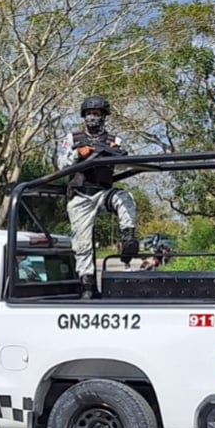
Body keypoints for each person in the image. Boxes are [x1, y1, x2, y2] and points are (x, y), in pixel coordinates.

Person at [57, 94, 139, 298]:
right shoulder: (72, 138)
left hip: (103, 193)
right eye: (90, 114)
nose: (94, 117)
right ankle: (87, 284)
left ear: (104, 116)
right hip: (80, 196)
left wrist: (115, 153)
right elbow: (61, 164)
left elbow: (126, 162)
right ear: (84, 116)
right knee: (82, 244)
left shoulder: (114, 140)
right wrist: (79, 154)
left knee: (125, 198)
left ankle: (128, 237)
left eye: (98, 114)